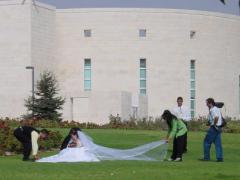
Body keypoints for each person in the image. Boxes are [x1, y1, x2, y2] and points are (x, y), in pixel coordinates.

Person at [37, 129, 167, 163]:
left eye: (71, 135)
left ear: (74, 134)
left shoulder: (77, 139)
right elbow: (75, 144)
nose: (70, 137)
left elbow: (78, 145)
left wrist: (71, 146)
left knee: (66, 154)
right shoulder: (75, 139)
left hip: (79, 151)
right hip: (78, 149)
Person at [201, 98, 223, 162]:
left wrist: (214, 124)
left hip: (214, 128)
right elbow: (218, 117)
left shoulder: (212, 110)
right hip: (219, 128)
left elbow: (216, 117)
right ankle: (219, 158)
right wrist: (209, 123)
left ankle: (206, 157)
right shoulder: (217, 109)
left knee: (206, 142)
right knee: (218, 144)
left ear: (210, 103)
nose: (206, 104)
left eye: (207, 103)